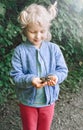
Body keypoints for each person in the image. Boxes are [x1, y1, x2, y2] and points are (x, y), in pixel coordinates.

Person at [10, 1, 68, 130]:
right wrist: (30, 80)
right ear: (25, 30)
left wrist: (56, 77)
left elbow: (62, 70)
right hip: (27, 102)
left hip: (48, 101)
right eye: (33, 31)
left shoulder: (54, 49)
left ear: (47, 29)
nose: (38, 36)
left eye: (42, 31)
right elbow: (16, 75)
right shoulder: (20, 51)